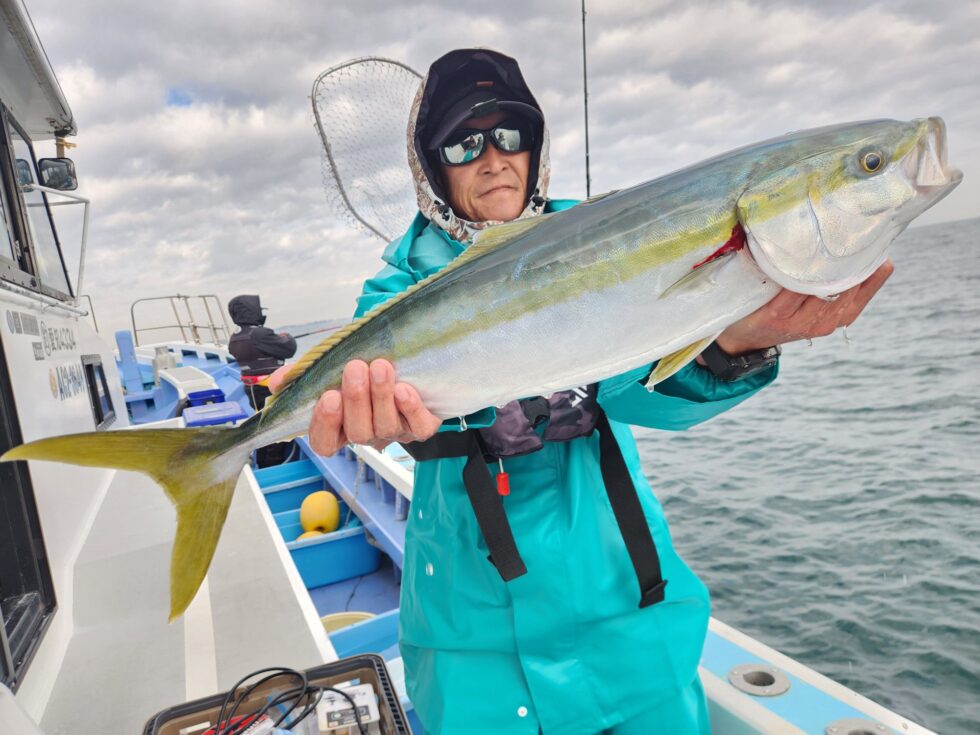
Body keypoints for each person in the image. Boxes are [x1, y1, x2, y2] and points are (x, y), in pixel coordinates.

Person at [271, 49, 892, 734]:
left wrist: (736, 346)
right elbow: (384, 402)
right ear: (432, 168)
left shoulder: (609, 238)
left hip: (628, 615)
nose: (494, 157)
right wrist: (406, 420)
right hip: (471, 643)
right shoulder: (396, 294)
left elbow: (641, 385)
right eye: (464, 142)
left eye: (513, 134)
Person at [229, 294, 297, 466]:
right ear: (253, 312)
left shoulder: (235, 337)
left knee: (262, 421)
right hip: (268, 388)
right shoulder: (259, 334)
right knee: (276, 425)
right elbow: (288, 349)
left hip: (252, 389)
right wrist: (286, 337)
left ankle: (260, 459)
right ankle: (272, 465)